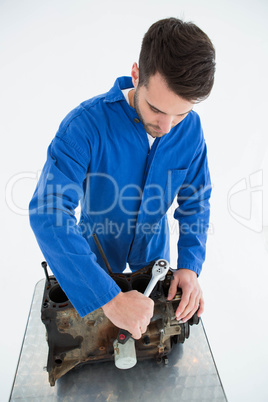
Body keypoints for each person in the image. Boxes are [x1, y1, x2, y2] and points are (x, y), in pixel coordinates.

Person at [29, 18, 216, 340]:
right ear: (136, 75)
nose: (168, 126)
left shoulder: (191, 130)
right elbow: (49, 212)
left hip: (154, 258)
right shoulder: (83, 126)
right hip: (92, 254)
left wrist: (189, 265)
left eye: (181, 113)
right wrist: (107, 297)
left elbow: (195, 200)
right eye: (157, 109)